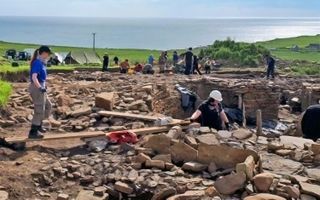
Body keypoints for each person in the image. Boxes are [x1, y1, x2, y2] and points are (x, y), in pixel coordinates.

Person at [28, 46, 52, 139]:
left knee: (48, 106)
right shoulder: (37, 63)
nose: (49, 56)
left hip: (41, 87)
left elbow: (41, 78)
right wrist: (40, 87)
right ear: (44, 53)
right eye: (48, 54)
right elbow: (34, 77)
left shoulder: (42, 63)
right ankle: (33, 132)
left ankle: (39, 125)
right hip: (36, 88)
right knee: (39, 110)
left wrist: (43, 86)